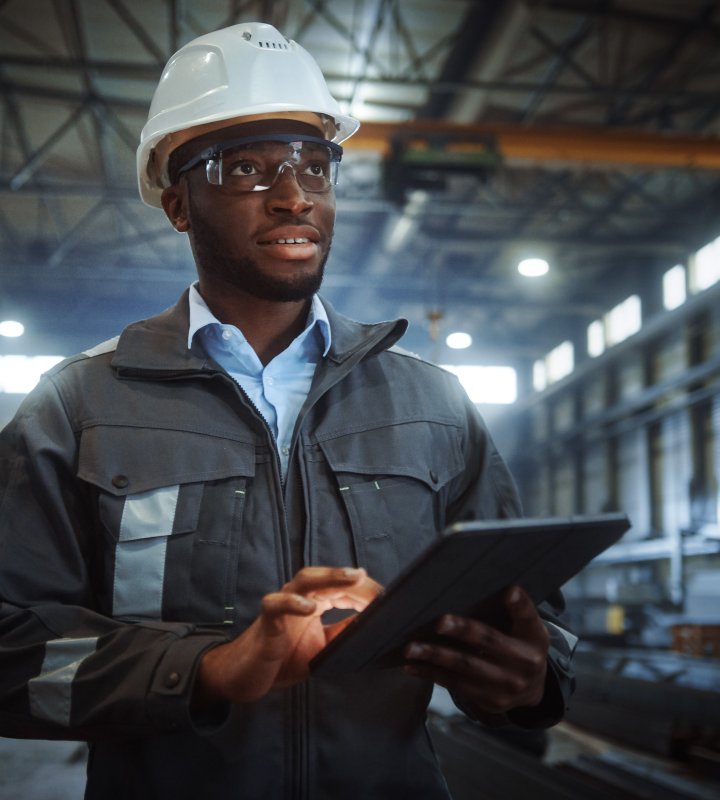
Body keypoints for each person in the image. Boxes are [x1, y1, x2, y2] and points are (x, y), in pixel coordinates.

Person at [0, 21, 576, 799]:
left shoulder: (432, 403)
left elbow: (532, 611)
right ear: (178, 203)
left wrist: (532, 677)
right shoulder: (80, 405)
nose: (295, 195)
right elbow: (10, 651)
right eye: (247, 169)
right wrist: (206, 668)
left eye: (315, 165)